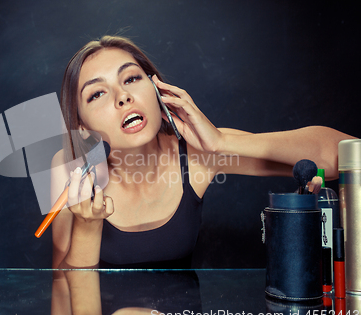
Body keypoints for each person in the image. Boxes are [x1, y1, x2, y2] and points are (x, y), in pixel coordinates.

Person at [50, 35, 355, 270]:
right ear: (83, 127)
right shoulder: (69, 167)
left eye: (131, 78)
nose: (123, 97)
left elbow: (344, 158)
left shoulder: (197, 155)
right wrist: (87, 229)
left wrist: (220, 142)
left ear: (159, 91)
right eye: (98, 93)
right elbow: (60, 290)